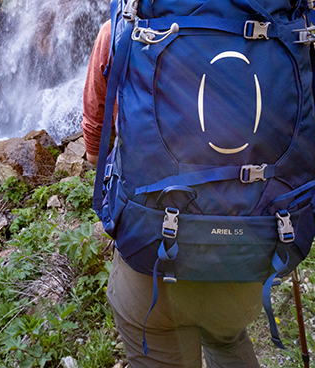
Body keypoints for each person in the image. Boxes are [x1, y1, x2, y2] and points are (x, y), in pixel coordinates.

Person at [82, 20, 264, 368]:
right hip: (246, 249)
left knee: (155, 333)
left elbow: (95, 152)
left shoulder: (119, 25)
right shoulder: (266, 21)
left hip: (151, 260)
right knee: (227, 338)